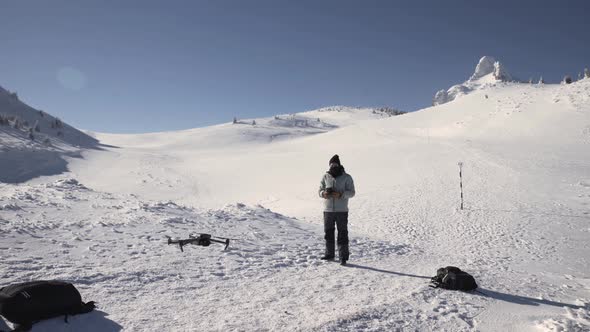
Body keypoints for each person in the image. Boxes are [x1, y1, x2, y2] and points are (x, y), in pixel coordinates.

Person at [318, 154, 356, 265]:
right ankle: (329, 254)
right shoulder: (326, 176)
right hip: (328, 210)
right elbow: (319, 190)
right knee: (328, 233)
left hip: (341, 210)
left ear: (339, 165)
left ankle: (343, 257)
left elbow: (352, 192)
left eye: (335, 164)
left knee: (342, 233)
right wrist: (323, 193)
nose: (333, 166)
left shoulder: (347, 177)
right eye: (331, 164)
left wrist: (341, 195)